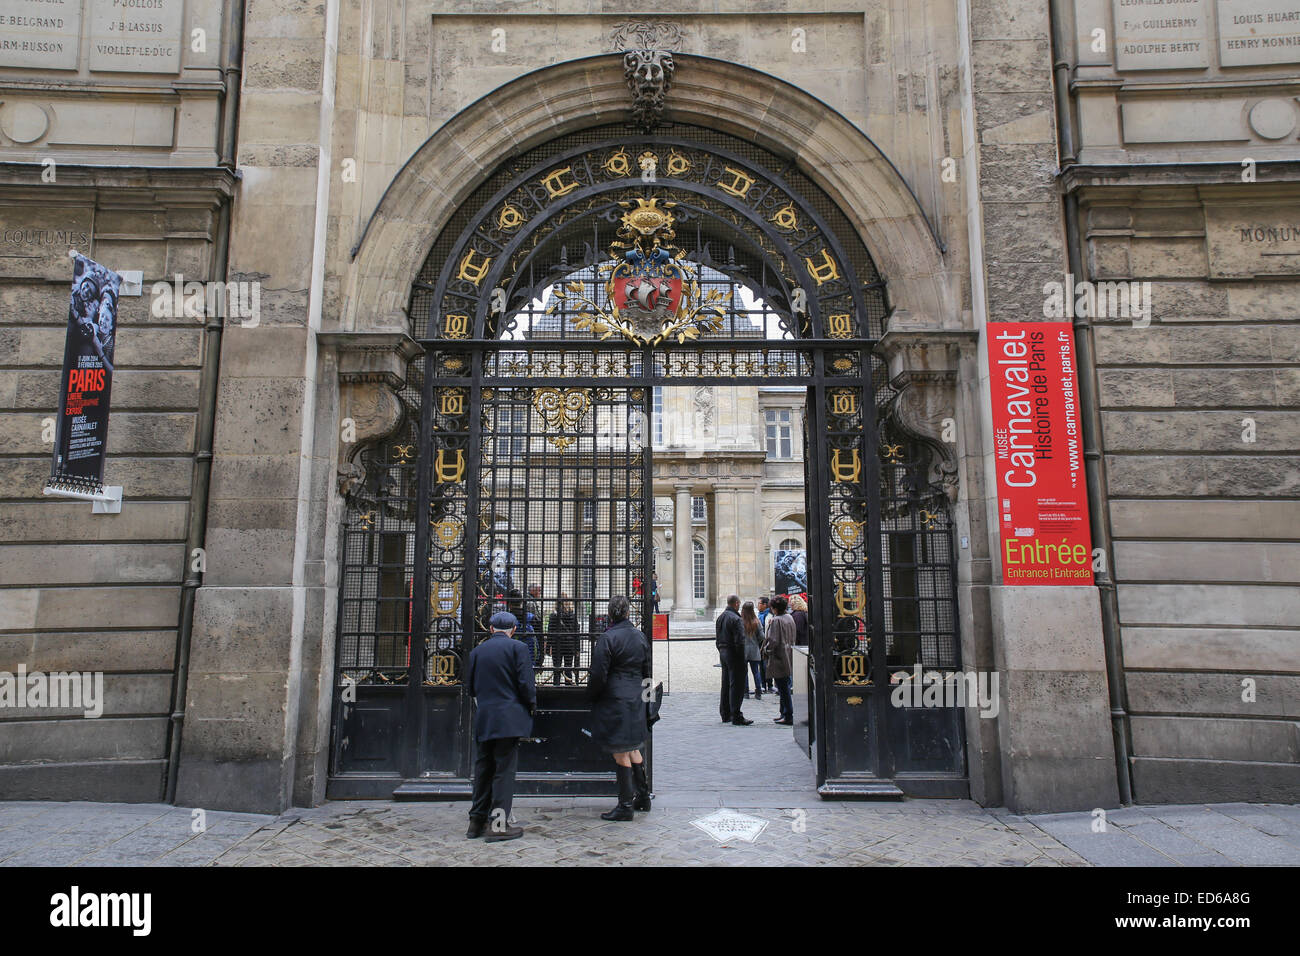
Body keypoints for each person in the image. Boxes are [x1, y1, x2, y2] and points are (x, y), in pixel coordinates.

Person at [466, 611, 536, 842]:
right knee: (504, 771)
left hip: (485, 718)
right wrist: (531, 706)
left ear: (490, 629)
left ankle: (476, 822)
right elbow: (526, 684)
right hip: (509, 719)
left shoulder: (477, 651)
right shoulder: (518, 649)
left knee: (483, 768)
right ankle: (498, 825)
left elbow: (471, 688)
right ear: (514, 629)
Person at [587, 594, 653, 820]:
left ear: (610, 613)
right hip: (635, 697)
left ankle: (625, 805)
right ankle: (643, 798)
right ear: (627, 613)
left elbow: (598, 674)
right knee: (634, 748)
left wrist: (592, 695)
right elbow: (647, 671)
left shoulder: (607, 638)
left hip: (615, 700)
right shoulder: (640, 636)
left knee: (620, 753)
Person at [714, 594, 751, 725]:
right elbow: (740, 641)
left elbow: (717, 639)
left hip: (723, 652)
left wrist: (721, 649)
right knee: (737, 685)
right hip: (734, 654)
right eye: (739, 603)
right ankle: (736, 715)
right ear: (736, 604)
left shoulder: (721, 617)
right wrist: (742, 658)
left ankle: (725, 713)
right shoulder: (736, 619)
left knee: (726, 683)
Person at [764, 595, 796, 725]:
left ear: (774, 608)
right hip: (788, 653)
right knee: (785, 685)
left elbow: (773, 640)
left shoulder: (776, 620)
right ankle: (783, 712)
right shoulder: (789, 617)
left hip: (779, 656)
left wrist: (766, 650)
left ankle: (788, 714)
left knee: (783, 688)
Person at [548, 593, 579, 685]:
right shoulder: (572, 615)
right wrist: (577, 648)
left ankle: (556, 687)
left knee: (556, 669)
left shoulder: (553, 615)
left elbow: (550, 632)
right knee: (568, 668)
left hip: (557, 644)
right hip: (570, 645)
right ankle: (568, 688)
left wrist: (547, 647)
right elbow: (577, 632)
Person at [507, 588, 540, 668]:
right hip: (528, 659)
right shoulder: (532, 618)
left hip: (509, 659)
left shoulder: (505, 618)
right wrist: (539, 661)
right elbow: (540, 639)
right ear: (522, 601)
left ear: (509, 603)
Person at [740, 600, 764, 701]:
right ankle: (758, 692)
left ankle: (745, 692)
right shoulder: (756, 621)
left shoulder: (741, 622)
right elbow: (762, 636)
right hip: (754, 649)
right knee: (756, 672)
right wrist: (756, 643)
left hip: (744, 650)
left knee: (744, 672)